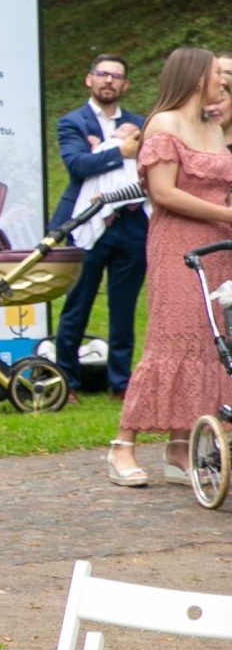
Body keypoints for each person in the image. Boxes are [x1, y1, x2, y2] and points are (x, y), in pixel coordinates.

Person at [109, 47, 232, 487]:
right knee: (172, 339)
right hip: (179, 243)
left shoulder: (213, 126)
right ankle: (122, 446)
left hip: (219, 246)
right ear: (196, 78)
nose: (222, 81)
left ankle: (180, 449)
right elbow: (162, 192)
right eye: (216, 73)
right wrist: (227, 215)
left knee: (208, 342)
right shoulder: (163, 124)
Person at [52, 54, 146, 398]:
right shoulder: (71, 122)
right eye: (102, 74)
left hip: (132, 224)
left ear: (125, 85)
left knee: (123, 308)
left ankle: (121, 383)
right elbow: (78, 165)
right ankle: (66, 380)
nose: (109, 80)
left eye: (116, 76)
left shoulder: (141, 124)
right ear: (89, 79)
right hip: (85, 221)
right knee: (77, 304)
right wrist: (121, 151)